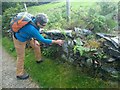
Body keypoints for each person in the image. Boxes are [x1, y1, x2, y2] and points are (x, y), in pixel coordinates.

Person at [12, 13, 64, 80]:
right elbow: (43, 40)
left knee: (37, 46)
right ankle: (19, 74)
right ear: (38, 23)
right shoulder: (31, 29)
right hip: (19, 38)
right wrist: (56, 41)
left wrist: (35, 38)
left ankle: (38, 60)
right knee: (21, 56)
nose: (44, 26)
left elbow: (36, 32)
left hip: (28, 36)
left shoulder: (34, 21)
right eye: (43, 25)